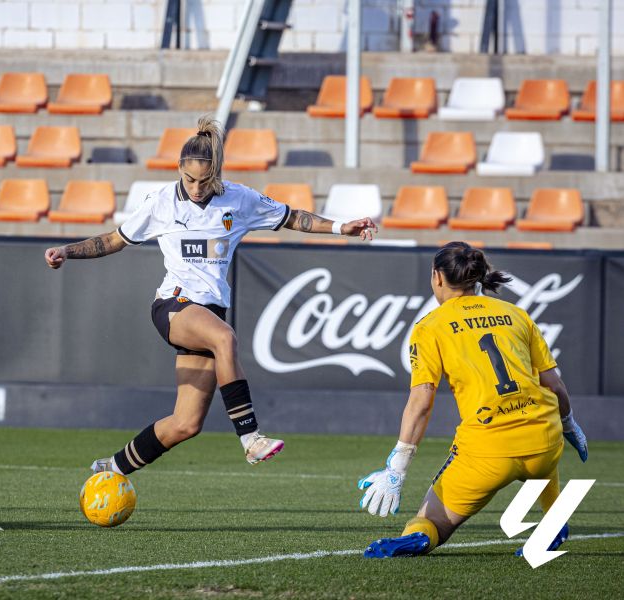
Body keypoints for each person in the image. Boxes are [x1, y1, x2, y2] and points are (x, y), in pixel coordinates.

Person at [45, 116, 377, 477]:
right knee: (224, 337)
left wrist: (342, 226)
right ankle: (250, 438)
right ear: (179, 170)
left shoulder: (240, 199)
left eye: (205, 180)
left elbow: (293, 217)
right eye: (189, 179)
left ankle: (111, 467)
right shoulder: (161, 203)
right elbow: (113, 240)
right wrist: (68, 250)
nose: (197, 188)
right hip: (174, 304)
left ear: (216, 172)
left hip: (210, 309)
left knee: (185, 423)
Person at [357, 241, 589, 558]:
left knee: (430, 523)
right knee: (540, 456)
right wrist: (569, 424)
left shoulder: (430, 326)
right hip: (544, 439)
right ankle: (553, 521)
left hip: (488, 450)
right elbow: (555, 386)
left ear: (438, 277)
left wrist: (397, 467)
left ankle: (418, 536)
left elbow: (421, 401)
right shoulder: (516, 314)